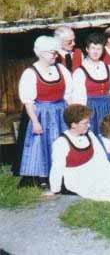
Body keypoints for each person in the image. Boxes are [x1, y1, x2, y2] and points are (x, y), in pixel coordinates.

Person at [17, 36, 73, 187]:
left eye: (56, 53)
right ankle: (44, 177)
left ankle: (63, 175)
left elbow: (68, 96)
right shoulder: (30, 73)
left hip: (61, 112)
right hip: (43, 114)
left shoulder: (61, 70)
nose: (55, 56)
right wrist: (35, 122)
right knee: (43, 145)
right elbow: (28, 102)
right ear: (41, 53)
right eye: (52, 53)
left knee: (62, 143)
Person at [71, 33, 110, 136]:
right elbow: (79, 98)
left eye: (99, 49)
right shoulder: (80, 72)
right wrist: (82, 117)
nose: (96, 52)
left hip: (109, 107)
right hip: (91, 110)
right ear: (87, 49)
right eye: (93, 48)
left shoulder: (109, 68)